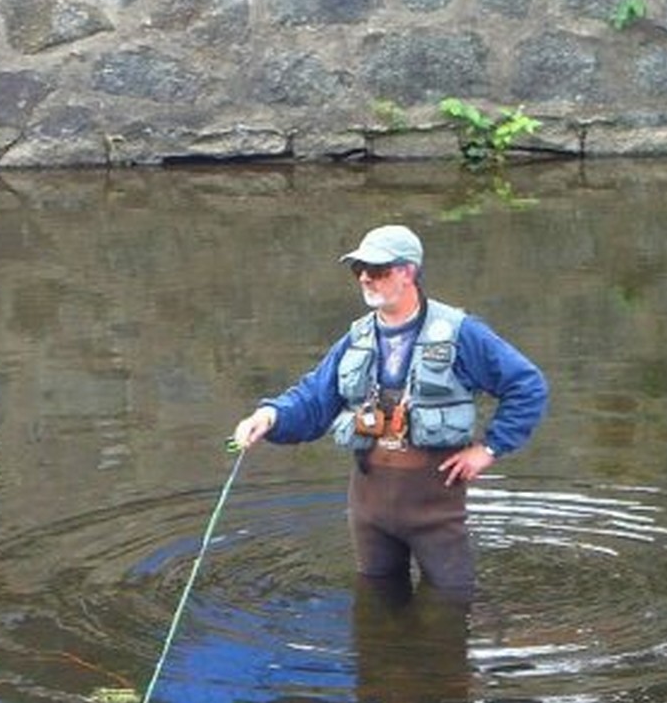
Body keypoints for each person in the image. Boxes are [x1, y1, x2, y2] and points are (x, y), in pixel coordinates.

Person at [232, 224, 548, 601]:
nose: (365, 277)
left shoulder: (462, 334)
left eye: (378, 269)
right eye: (359, 269)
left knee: (451, 605)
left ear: (408, 272)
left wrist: (489, 449)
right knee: (375, 608)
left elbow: (527, 386)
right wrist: (268, 417)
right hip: (369, 510)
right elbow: (314, 400)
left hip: (436, 508)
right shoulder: (355, 338)